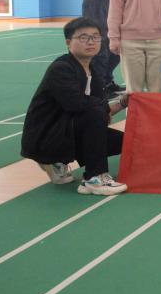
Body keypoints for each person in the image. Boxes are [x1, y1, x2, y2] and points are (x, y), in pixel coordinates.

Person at [20, 18, 128, 195]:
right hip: (46, 137)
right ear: (68, 42)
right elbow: (78, 105)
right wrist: (102, 108)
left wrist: (123, 103)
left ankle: (57, 161)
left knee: (126, 142)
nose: (91, 42)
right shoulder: (61, 68)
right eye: (84, 37)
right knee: (93, 111)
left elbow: (101, 110)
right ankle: (93, 178)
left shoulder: (94, 71)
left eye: (95, 37)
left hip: (70, 131)